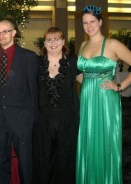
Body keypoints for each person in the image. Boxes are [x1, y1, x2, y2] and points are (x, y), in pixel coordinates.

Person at [76, 7, 131, 184]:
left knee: (105, 143)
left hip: (106, 99)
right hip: (86, 98)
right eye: (85, 22)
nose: (88, 25)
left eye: (92, 21)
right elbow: (81, 75)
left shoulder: (113, 44)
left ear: (100, 22)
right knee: (89, 142)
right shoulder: (83, 45)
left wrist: (120, 86)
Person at [0, 19, 39, 183]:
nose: (1, 35)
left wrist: (31, 120)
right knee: (0, 163)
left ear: (14, 32)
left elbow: (34, 91)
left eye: (5, 31)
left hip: (22, 121)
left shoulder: (29, 57)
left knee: (26, 164)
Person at [33, 27, 82, 184]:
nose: (53, 43)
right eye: (49, 39)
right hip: (42, 120)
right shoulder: (36, 63)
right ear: (44, 43)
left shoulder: (73, 62)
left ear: (63, 42)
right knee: (44, 159)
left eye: (56, 39)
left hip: (68, 119)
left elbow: (88, 83)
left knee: (66, 159)